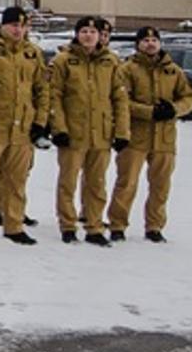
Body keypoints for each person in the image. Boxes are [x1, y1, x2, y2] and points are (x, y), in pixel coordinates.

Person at [0, 6, 51, 244]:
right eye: (14, 25)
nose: (18, 30)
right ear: (4, 26)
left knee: (17, 180)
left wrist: (40, 122)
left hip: (22, 128)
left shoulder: (32, 53)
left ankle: (13, 224)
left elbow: (41, 90)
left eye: (23, 26)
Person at [107, 26, 192, 243]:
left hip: (164, 138)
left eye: (154, 39)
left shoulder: (173, 71)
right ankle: (118, 224)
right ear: (138, 44)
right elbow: (120, 101)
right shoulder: (127, 69)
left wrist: (174, 109)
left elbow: (189, 97)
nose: (150, 43)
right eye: (145, 40)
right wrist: (148, 112)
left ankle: (154, 226)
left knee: (161, 185)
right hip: (136, 136)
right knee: (127, 183)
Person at [48, 16, 131, 246]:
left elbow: (119, 99)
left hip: (101, 133)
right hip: (73, 132)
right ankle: (67, 224)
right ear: (77, 34)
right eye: (83, 31)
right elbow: (54, 96)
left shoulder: (111, 62)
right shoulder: (64, 61)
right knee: (68, 181)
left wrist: (122, 132)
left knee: (97, 183)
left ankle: (94, 226)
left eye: (92, 32)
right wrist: (59, 128)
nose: (88, 35)